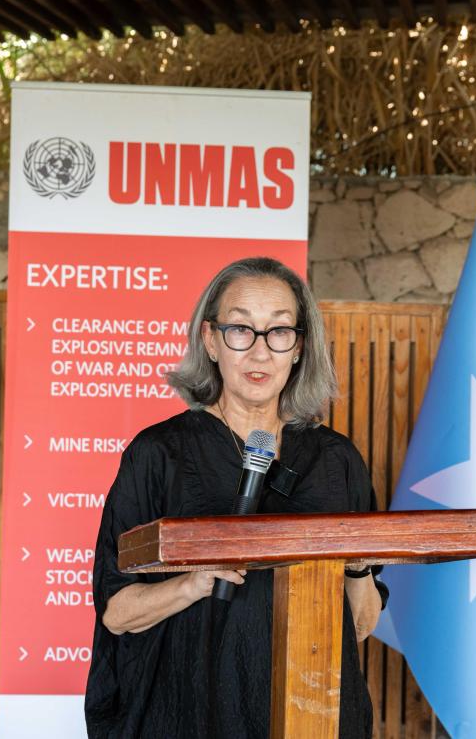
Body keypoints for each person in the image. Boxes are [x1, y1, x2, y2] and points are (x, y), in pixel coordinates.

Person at [85, 256, 387, 738]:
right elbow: (118, 613)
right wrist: (192, 583)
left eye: (279, 331)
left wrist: (356, 567)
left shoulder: (337, 460)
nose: (260, 352)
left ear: (299, 346)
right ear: (210, 340)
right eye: (240, 330)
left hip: (310, 713)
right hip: (187, 709)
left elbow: (359, 627)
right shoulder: (158, 453)